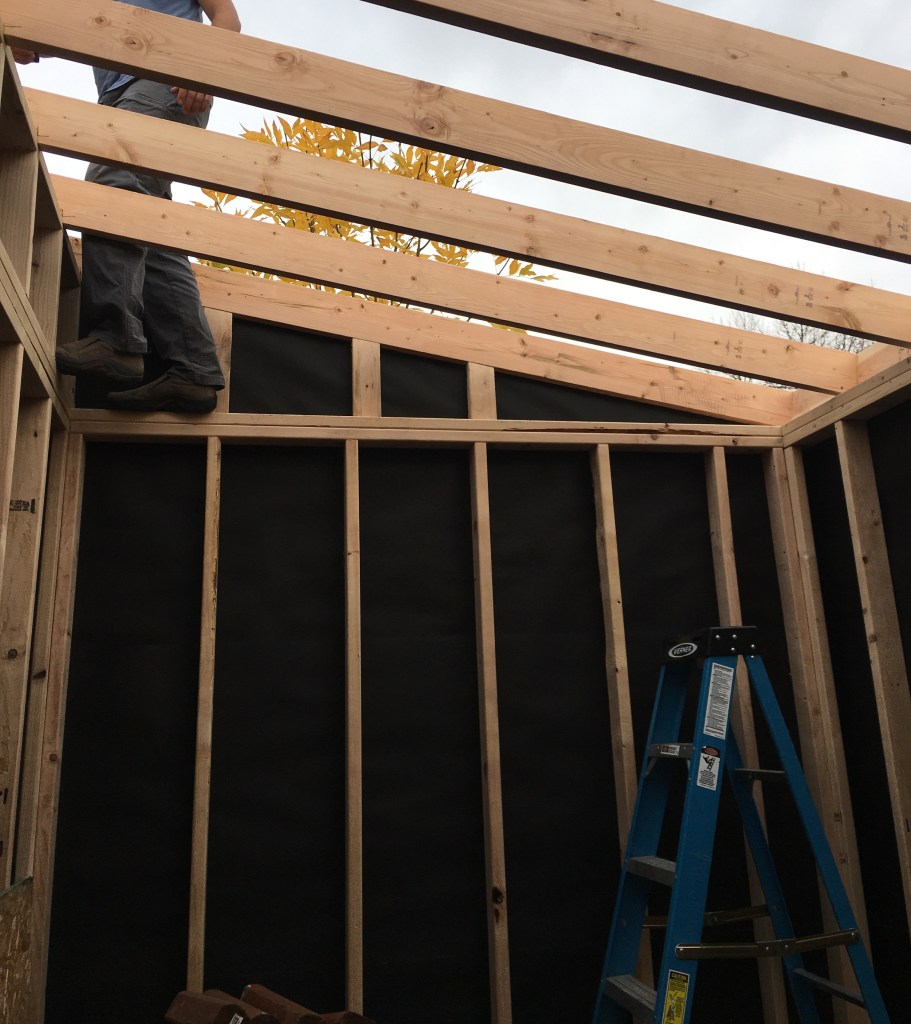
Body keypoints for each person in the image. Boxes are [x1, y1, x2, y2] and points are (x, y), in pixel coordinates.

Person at [14, 0, 242, 413]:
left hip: (165, 81)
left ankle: (116, 338)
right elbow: (87, 24)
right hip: (121, 94)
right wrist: (33, 41)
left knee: (112, 184)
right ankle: (193, 368)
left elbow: (227, 17)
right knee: (147, 227)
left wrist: (202, 68)